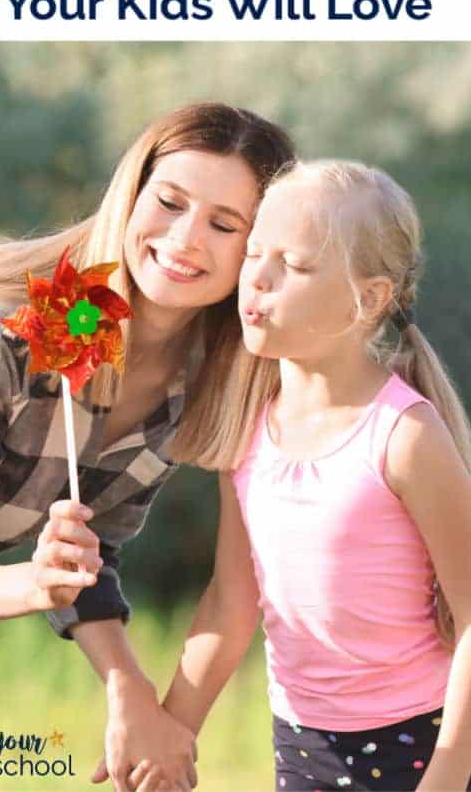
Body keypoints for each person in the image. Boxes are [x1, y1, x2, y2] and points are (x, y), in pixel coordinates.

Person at [0, 102, 294, 791]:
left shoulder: (201, 383)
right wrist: (33, 583)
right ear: (131, 194)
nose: (187, 239)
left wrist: (128, 687)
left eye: (224, 225)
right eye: (170, 202)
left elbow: (86, 553)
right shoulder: (4, 330)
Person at [156, 160, 471, 792]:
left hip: (421, 745)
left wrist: (448, 776)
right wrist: (167, 733)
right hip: (299, 745)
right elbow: (231, 601)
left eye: (294, 267)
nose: (257, 281)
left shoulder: (404, 436)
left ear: (371, 298)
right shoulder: (246, 430)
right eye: (252, 254)